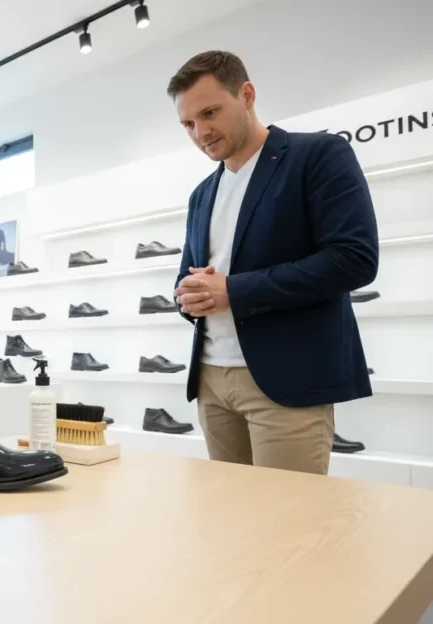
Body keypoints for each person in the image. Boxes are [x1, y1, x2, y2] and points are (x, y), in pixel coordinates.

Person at [167, 51, 378, 475]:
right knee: (233, 523)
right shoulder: (201, 194)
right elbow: (189, 278)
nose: (201, 132)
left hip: (286, 381)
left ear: (246, 95)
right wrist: (187, 297)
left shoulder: (318, 155)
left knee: (290, 531)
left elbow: (354, 259)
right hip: (210, 379)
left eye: (210, 113)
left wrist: (233, 290)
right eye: (188, 124)